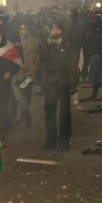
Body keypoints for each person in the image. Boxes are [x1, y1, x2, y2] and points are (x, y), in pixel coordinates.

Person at [38, 22, 79, 150]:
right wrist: (42, 85)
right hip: (50, 85)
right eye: (53, 29)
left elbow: (73, 67)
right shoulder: (46, 46)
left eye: (57, 29)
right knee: (49, 113)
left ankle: (64, 139)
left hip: (64, 84)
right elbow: (42, 67)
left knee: (64, 113)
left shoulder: (68, 46)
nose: (55, 31)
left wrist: (73, 84)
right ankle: (50, 140)